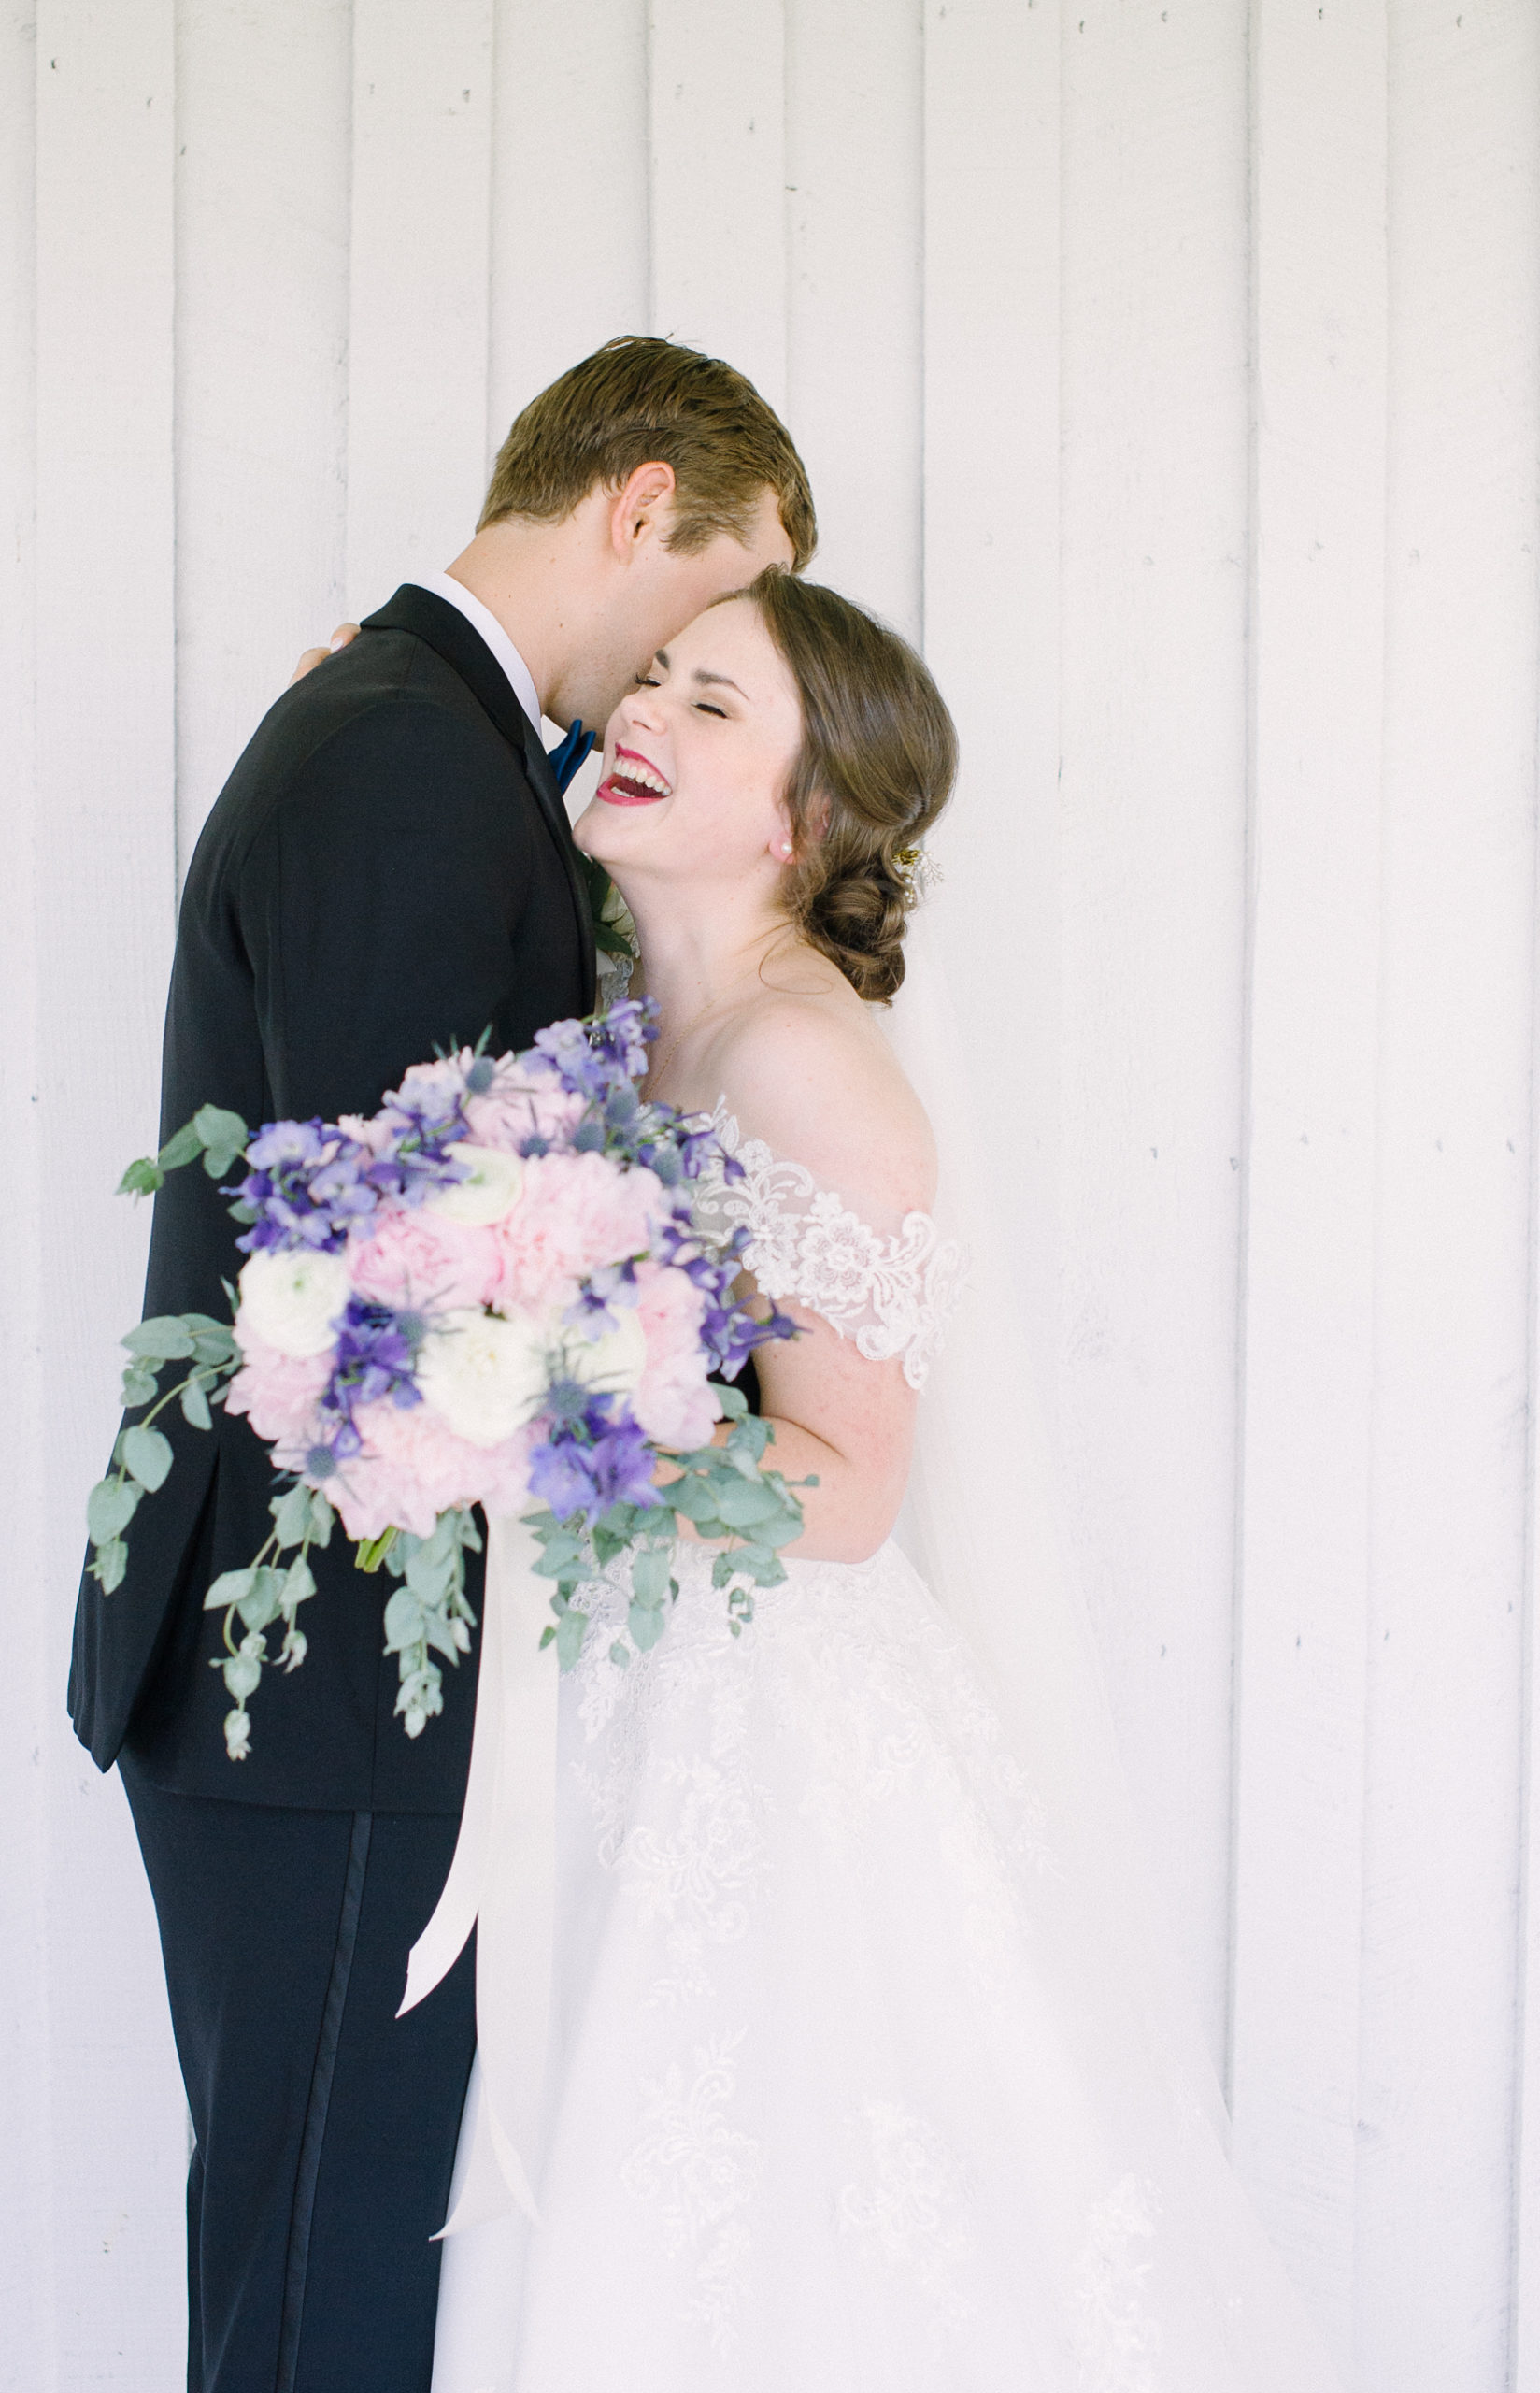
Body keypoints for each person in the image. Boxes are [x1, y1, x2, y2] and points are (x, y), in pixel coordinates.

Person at [425, 569, 1351, 2389]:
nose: (643, 717)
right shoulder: (642, 1024)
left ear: (804, 815)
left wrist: (557, 1401)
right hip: (626, 1688)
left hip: (757, 1730)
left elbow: (844, 1483)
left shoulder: (806, 1063)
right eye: (654, 677)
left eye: (711, 707)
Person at [65, 337, 816, 2393]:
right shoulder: (408, 751)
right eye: (703, 614)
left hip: (317, 1682)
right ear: (642, 506)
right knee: (317, 2309)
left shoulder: (427, 733)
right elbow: (411, 1266)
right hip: (321, 1689)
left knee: (334, 2275)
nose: (675, 682)